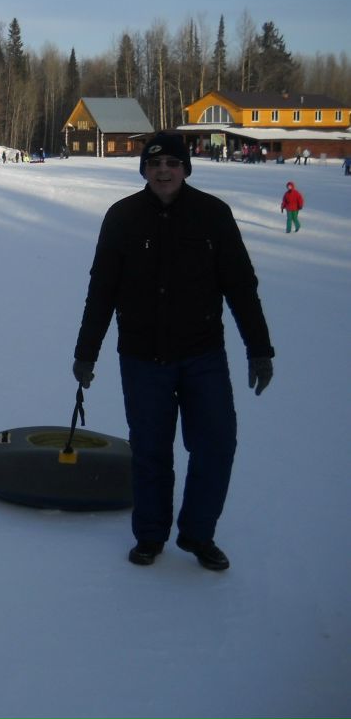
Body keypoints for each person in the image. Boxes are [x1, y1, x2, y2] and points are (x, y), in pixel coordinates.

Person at [72, 132, 275, 571]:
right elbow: (101, 290)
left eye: (172, 162)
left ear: (186, 167)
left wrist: (259, 348)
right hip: (143, 358)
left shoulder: (213, 216)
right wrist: (86, 352)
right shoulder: (122, 217)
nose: (163, 169)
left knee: (217, 444)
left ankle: (199, 534)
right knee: (151, 450)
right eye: (155, 162)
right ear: (144, 169)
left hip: (203, 356)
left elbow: (241, 287)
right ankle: (150, 535)